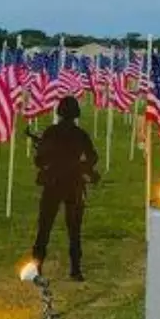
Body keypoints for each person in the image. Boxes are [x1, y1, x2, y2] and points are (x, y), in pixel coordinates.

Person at [30, 96, 100, 281]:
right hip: (74, 184)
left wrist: (41, 150)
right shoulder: (81, 134)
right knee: (74, 229)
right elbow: (92, 157)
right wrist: (81, 167)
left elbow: (40, 161)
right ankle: (75, 270)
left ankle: (37, 267)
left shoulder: (51, 132)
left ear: (59, 112)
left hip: (53, 184)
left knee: (44, 228)